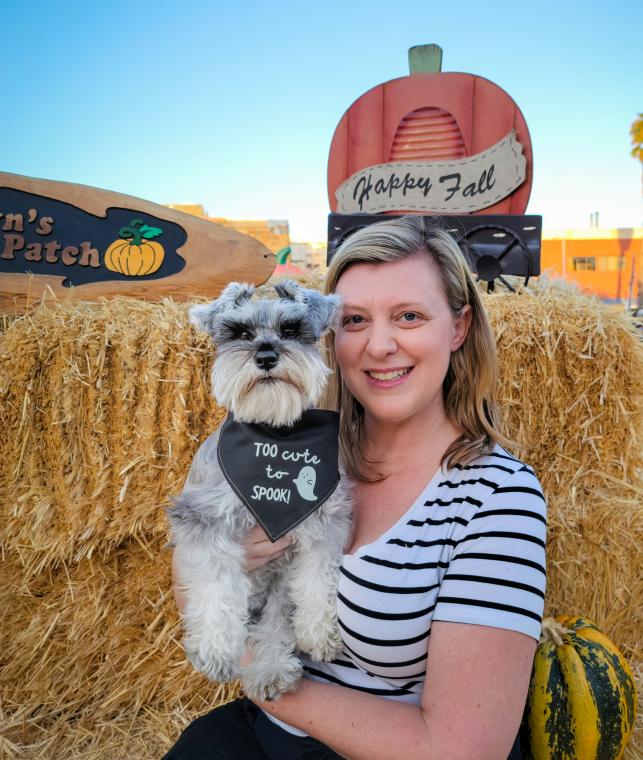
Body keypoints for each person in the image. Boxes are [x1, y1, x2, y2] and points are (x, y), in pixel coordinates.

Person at [164, 216, 547, 760]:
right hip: (262, 730)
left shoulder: (497, 496)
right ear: (331, 333)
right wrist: (225, 563)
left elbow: (462, 749)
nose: (380, 345)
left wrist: (269, 682)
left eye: (409, 316)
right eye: (356, 320)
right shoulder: (281, 451)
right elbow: (194, 577)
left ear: (458, 328)